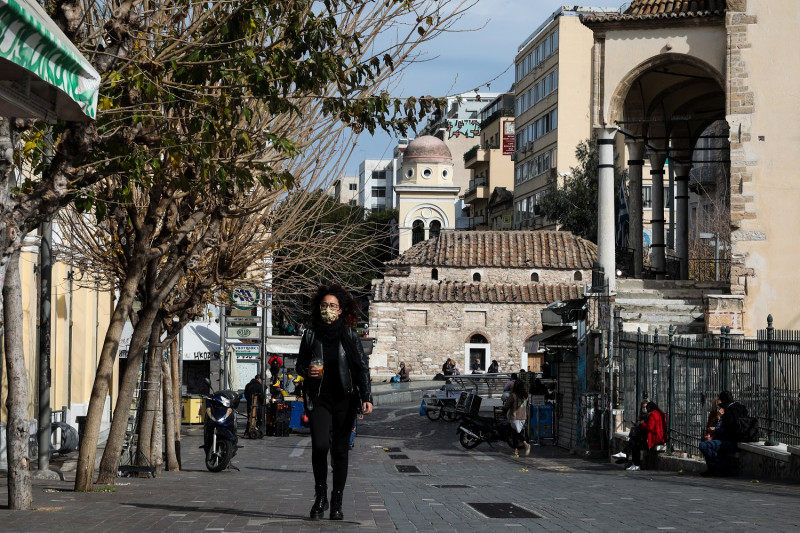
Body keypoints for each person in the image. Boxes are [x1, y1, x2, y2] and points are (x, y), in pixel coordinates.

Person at [296, 284, 373, 521]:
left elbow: (361, 367)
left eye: (332, 306)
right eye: (324, 305)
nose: (328, 309)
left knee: (340, 451)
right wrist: (307, 371)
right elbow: (300, 364)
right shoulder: (310, 335)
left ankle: (337, 501)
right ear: (318, 308)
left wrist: (367, 397)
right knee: (320, 446)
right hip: (319, 399)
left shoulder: (349, 335)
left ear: (340, 311)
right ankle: (321, 496)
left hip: (345, 399)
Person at [699, 390, 744, 477]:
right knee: (704, 441)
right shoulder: (739, 407)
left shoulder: (729, 412)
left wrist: (714, 432)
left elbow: (726, 430)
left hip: (731, 441)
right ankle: (712, 469)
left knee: (703, 445)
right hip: (732, 439)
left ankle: (719, 465)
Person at [616, 401, 666, 471]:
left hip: (655, 439)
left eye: (647, 408)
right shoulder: (660, 414)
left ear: (649, 408)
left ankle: (628, 458)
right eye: (643, 407)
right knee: (635, 441)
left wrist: (641, 424)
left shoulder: (652, 415)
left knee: (635, 442)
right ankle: (628, 458)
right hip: (659, 438)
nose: (646, 409)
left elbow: (650, 427)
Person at [504, 378, 531, 458]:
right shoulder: (526, 395)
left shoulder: (513, 395)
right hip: (523, 416)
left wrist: (504, 409)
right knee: (516, 432)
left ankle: (523, 446)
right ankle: (517, 451)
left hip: (515, 416)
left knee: (515, 433)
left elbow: (507, 405)